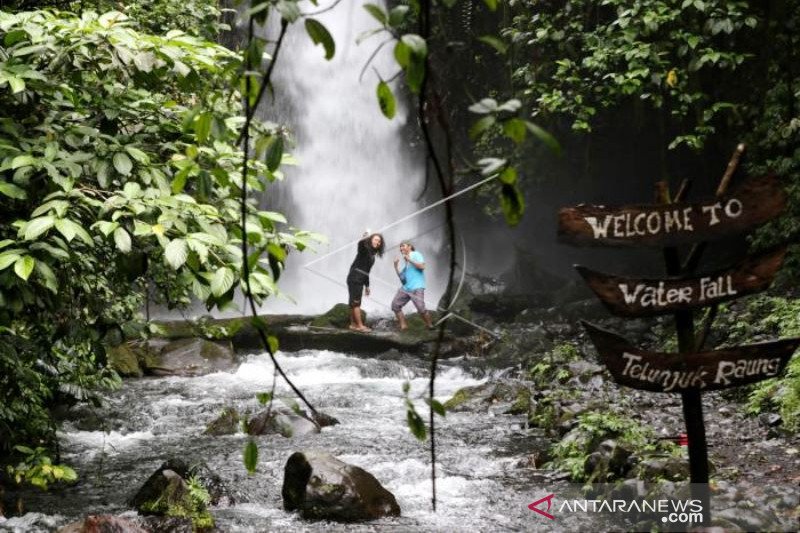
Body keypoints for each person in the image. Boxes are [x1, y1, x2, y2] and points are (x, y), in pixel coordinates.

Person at [346, 231, 384, 332]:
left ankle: (353, 324)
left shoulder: (372, 256)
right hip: (355, 278)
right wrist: (364, 238)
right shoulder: (365, 250)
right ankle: (360, 326)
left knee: (353, 302)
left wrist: (367, 286)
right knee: (356, 303)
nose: (378, 242)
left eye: (379, 241)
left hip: (357, 279)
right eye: (376, 240)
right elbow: (361, 246)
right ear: (370, 240)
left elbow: (366, 272)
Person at [391, 240, 433, 330]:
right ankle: (403, 326)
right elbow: (402, 278)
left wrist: (409, 259)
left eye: (403, 246)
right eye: (400, 247)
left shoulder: (416, 254)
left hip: (417, 287)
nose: (401, 248)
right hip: (406, 288)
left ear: (410, 246)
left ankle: (430, 326)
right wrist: (395, 266)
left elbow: (422, 267)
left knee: (421, 308)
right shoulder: (406, 263)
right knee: (395, 305)